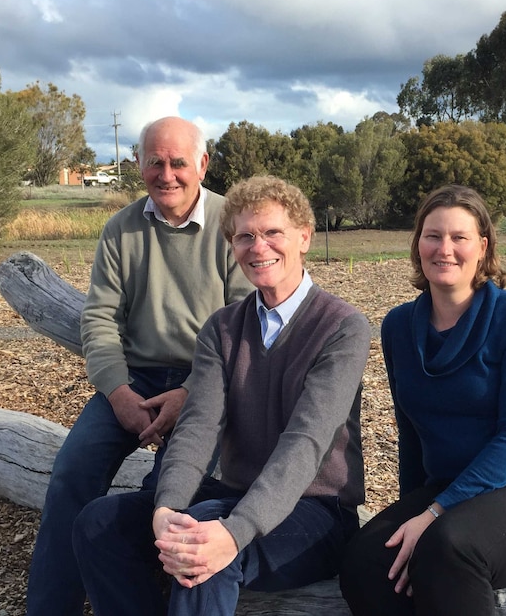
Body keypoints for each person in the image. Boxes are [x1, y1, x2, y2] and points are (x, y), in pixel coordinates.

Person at [71, 176, 371, 616]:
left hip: (316, 512)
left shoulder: (342, 326)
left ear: (304, 237)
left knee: (201, 547)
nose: (258, 246)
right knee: (98, 524)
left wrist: (234, 532)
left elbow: (306, 443)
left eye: (272, 233)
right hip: (234, 492)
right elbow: (197, 427)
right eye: (244, 236)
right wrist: (166, 507)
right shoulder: (223, 328)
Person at [339, 185, 506, 616]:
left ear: (482, 248)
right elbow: (412, 436)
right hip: (454, 491)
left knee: (447, 547)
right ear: (417, 244)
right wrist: (416, 508)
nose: (444, 248)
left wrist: (431, 514)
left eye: (459, 237)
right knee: (366, 560)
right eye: (433, 235)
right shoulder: (398, 327)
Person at [27, 117, 254, 616]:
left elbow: (243, 327)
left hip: (209, 383)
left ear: (202, 164)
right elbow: (100, 319)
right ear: (139, 164)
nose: (166, 173)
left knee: (170, 495)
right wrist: (117, 392)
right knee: (71, 472)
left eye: (178, 162)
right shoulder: (121, 230)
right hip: (136, 379)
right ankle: (51, 606)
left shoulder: (232, 226)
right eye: (155, 161)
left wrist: (192, 392)